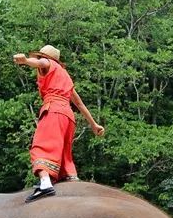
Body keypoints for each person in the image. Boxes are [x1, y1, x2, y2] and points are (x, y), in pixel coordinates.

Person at [12, 44, 105, 202]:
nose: (40, 60)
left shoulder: (48, 64)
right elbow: (80, 104)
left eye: (40, 57)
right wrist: (94, 124)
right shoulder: (65, 76)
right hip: (68, 116)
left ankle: (45, 184)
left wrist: (26, 61)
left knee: (41, 146)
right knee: (62, 153)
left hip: (53, 110)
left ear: (44, 57)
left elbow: (42, 63)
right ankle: (69, 179)